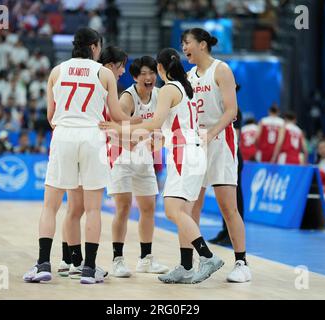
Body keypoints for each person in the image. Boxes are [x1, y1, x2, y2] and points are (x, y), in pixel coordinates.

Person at [99, 48, 224, 284]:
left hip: (183, 153)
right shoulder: (185, 87)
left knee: (172, 211)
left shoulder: (167, 89)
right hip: (194, 152)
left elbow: (155, 123)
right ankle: (186, 266)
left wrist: (118, 129)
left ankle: (206, 256)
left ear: (159, 69)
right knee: (183, 212)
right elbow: (164, 130)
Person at [23, 27, 132, 285]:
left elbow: (50, 116)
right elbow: (116, 115)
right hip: (92, 136)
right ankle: (89, 269)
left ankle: (43, 264)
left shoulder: (56, 71)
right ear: (95, 46)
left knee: (51, 205)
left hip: (64, 135)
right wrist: (141, 122)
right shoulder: (104, 73)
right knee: (93, 208)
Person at [182, 28, 251, 283]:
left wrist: (210, 134)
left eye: (187, 43)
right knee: (191, 206)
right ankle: (192, 262)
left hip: (220, 141)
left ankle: (242, 263)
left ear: (202, 45)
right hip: (198, 144)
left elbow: (232, 110)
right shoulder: (189, 75)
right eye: (182, 44)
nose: (184, 48)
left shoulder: (221, 69)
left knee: (227, 207)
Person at [57, 46, 129, 280]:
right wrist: (146, 122)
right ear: (110, 66)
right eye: (121, 66)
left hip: (72, 142)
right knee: (84, 209)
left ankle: (70, 260)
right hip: (89, 147)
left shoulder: (81, 78)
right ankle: (76, 261)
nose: (123, 72)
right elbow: (117, 119)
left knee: (74, 209)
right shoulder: (103, 84)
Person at [106, 55, 168, 277]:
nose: (149, 77)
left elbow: (162, 131)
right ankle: (117, 259)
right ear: (135, 77)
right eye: (144, 74)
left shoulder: (160, 95)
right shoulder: (127, 99)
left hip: (145, 157)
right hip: (121, 156)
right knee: (123, 208)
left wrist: (155, 143)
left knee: (148, 208)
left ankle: (145, 259)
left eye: (152, 73)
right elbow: (113, 133)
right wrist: (138, 141)